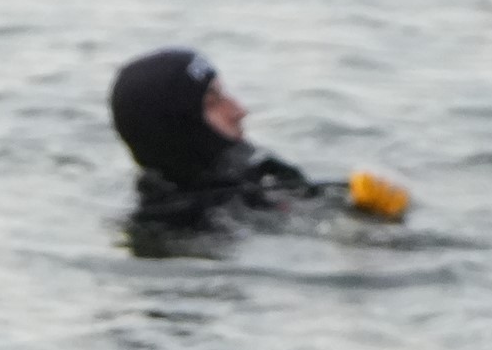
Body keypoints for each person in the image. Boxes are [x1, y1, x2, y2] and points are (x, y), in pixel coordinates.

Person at [107, 47, 330, 224]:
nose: (239, 111)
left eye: (224, 95)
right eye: (213, 104)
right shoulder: (206, 221)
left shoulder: (244, 179)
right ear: (182, 129)